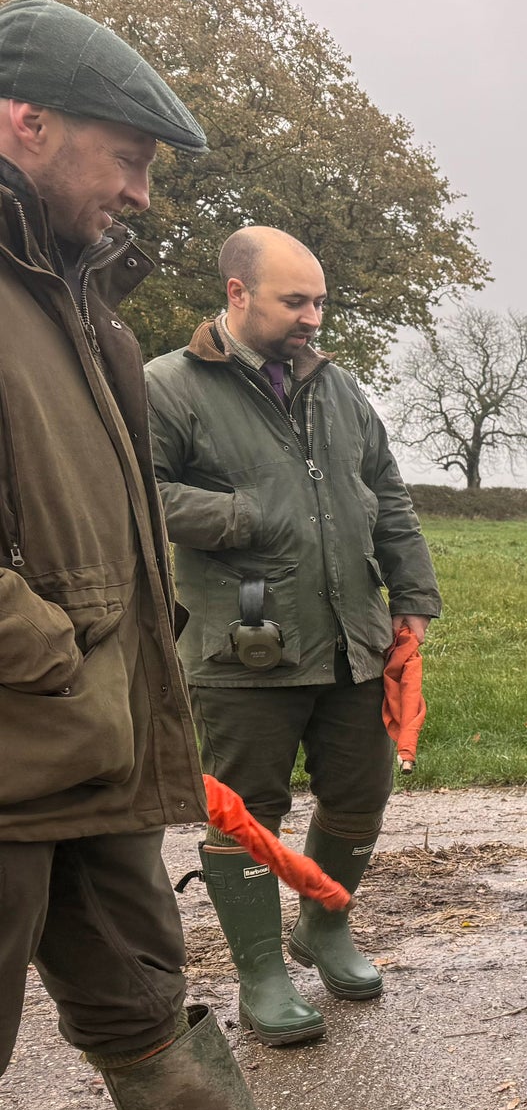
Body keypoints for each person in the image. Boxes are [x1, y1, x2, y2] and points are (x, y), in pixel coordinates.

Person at [0, 0, 399, 1110]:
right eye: (129, 157)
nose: (141, 192)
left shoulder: (66, 296)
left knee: (135, 986)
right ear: (21, 121)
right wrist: (44, 650)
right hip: (18, 727)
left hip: (92, 738)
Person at [147, 225, 441, 1045]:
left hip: (354, 638)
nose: (313, 316)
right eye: (295, 301)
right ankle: (262, 977)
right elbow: (136, 492)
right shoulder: (169, 387)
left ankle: (323, 927)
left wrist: (411, 594)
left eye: (319, 300)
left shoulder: (338, 389)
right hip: (244, 643)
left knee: (360, 792)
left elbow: (387, 492)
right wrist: (242, 515)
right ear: (238, 294)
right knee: (248, 812)